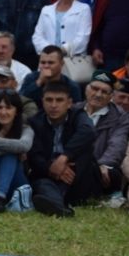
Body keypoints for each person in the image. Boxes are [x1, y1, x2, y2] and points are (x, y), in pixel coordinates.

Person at [27, 81, 96, 217]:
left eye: (59, 100)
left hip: (76, 175)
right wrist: (51, 168)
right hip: (47, 174)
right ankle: (60, 207)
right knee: (41, 181)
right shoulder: (35, 122)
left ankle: (55, 201)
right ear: (42, 102)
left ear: (69, 103)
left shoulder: (78, 115)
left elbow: (89, 132)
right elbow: (35, 156)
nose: (53, 105)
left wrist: (64, 158)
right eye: (49, 100)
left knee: (85, 152)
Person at [78, 70, 129, 195]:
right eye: (95, 88)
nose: (98, 94)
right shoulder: (74, 110)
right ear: (86, 89)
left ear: (111, 96)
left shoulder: (119, 117)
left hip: (102, 168)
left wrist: (103, 165)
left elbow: (117, 145)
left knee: (109, 174)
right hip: (74, 165)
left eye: (104, 92)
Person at [32, 0, 91, 68]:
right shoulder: (46, 10)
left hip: (72, 63)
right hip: (47, 62)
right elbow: (37, 36)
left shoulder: (84, 9)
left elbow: (83, 38)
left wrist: (63, 50)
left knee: (67, 83)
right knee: (47, 82)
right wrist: (50, 51)